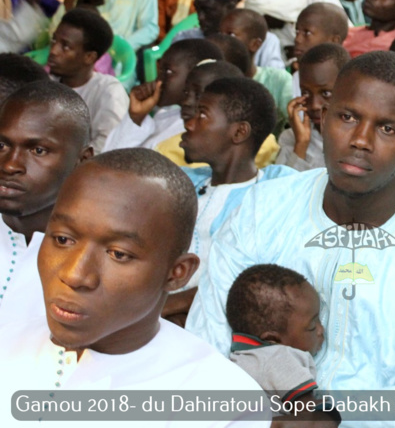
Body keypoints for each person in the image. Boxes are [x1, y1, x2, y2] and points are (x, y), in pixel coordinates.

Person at [187, 52, 395, 399]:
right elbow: (208, 343)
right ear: (325, 117)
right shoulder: (261, 210)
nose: (360, 140)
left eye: (387, 128)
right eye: (348, 117)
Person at [0, 148, 269, 426]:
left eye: (118, 254)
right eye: (63, 239)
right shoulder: (8, 342)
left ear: (177, 273)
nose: (75, 274)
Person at [163, 78, 295, 324]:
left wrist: (160, 308)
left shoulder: (261, 201)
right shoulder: (181, 183)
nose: (189, 124)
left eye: (202, 115)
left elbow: (238, 283)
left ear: (239, 132)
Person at [0, 82, 93, 325]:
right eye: (2, 145)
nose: (10, 164)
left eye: (38, 150)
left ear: (81, 161)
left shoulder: (93, 260)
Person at [226, 265, 326, 404]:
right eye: (312, 326)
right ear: (273, 340)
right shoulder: (278, 359)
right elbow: (309, 414)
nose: (321, 330)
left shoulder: (238, 360)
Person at [103, 38, 223, 152]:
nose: (159, 80)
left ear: (196, 76)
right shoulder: (165, 115)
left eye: (168, 72)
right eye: (160, 70)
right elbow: (110, 158)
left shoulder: (192, 133)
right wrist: (136, 117)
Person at [47, 8, 128, 153]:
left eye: (65, 46)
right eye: (54, 40)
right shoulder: (45, 83)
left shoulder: (108, 91)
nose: (53, 50)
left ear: (89, 57)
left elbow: (109, 147)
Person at [277, 43, 350, 171]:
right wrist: (301, 145)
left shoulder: (361, 139)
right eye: (305, 92)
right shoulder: (291, 138)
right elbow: (281, 187)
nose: (315, 105)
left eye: (326, 93)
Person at [219, 8, 293, 121]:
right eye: (220, 34)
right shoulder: (211, 75)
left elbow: (299, 122)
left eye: (231, 34)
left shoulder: (277, 81)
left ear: (255, 44)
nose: (221, 40)